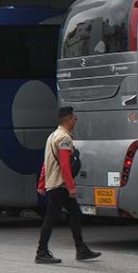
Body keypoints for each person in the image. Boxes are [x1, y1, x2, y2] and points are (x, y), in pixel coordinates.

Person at [36, 107, 101, 264]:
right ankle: (41, 252)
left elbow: (46, 164)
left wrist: (42, 183)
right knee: (51, 218)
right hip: (61, 185)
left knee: (75, 214)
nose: (75, 120)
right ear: (67, 120)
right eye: (74, 118)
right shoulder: (64, 139)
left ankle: (81, 249)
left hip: (55, 184)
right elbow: (65, 165)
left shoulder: (52, 136)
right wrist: (71, 186)